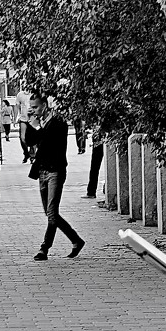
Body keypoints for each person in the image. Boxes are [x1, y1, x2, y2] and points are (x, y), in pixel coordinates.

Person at [27, 91, 84, 261]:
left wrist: (36, 125)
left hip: (55, 171)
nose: (33, 111)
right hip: (42, 171)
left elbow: (46, 139)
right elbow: (30, 141)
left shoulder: (57, 122)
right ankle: (76, 240)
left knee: (52, 212)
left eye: (35, 107)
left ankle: (44, 249)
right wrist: (30, 123)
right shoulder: (40, 121)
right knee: (50, 213)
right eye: (31, 108)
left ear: (44, 105)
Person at [86, 130, 104, 199]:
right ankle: (91, 191)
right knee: (94, 167)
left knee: (94, 167)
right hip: (101, 139)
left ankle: (91, 191)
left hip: (99, 141)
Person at [16, 89, 32, 162]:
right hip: (23, 118)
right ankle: (26, 153)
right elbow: (18, 106)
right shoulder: (20, 95)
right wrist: (19, 114)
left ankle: (33, 155)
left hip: (32, 117)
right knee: (22, 137)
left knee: (33, 136)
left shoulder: (34, 93)